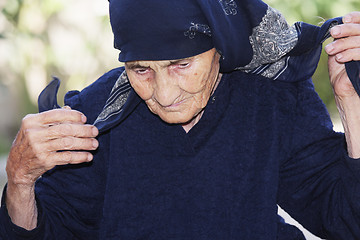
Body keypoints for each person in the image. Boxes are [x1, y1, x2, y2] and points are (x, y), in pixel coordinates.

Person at [1, 0, 360, 239]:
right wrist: (19, 181)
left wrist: (351, 103)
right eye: (141, 69)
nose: (165, 94)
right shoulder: (96, 118)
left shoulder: (273, 98)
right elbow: (45, 230)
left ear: (220, 47)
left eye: (181, 65)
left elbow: (345, 218)